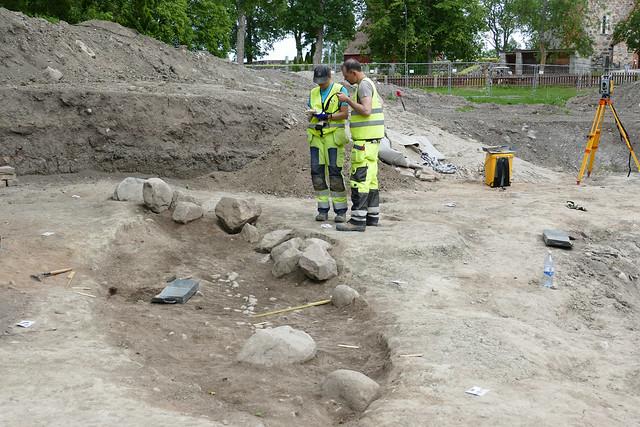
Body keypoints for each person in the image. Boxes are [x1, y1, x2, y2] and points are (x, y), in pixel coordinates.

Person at [336, 59, 385, 232]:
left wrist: (347, 100)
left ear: (353, 72)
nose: (346, 79)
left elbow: (366, 110)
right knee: (371, 180)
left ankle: (357, 220)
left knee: (359, 179)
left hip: (364, 143)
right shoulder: (368, 84)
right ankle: (372, 217)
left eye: (346, 75)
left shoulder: (363, 85)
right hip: (373, 142)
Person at [306, 65, 350, 223]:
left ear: (330, 77)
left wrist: (328, 116)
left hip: (333, 138)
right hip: (316, 137)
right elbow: (309, 115)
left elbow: (345, 114)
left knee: (334, 172)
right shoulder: (313, 93)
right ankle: (322, 209)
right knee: (316, 173)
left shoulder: (340, 90)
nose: (320, 84)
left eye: (323, 81)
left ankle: (340, 211)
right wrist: (312, 115)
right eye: (318, 81)